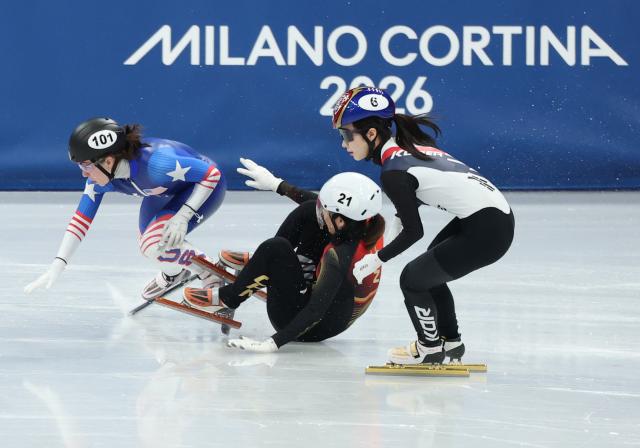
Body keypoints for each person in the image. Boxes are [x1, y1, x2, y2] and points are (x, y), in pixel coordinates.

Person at [332, 87, 515, 364]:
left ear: (371, 134)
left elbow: (414, 231)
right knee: (428, 274)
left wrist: (376, 260)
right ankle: (450, 342)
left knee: (413, 279)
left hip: (486, 230)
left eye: (347, 135)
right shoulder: (405, 150)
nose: (344, 144)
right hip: (491, 220)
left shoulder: (393, 172)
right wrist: (382, 248)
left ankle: (428, 348)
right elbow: (407, 208)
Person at [182, 167, 385, 353]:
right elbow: (316, 204)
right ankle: (267, 263)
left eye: (325, 210)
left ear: (340, 221)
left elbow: (316, 311)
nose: (321, 212)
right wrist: (277, 185)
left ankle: (228, 298)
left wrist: (271, 343)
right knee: (308, 211)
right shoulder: (363, 223)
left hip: (309, 326)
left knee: (276, 247)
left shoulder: (340, 256)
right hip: (328, 300)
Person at [24, 117, 226, 299]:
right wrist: (58, 264)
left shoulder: (157, 164)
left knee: (153, 244)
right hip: (164, 193)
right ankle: (174, 273)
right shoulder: (102, 178)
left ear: (109, 160)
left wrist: (184, 216)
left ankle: (211, 272)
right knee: (149, 243)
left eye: (85, 165)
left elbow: (212, 174)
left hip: (203, 188)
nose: (84, 174)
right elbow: (81, 220)